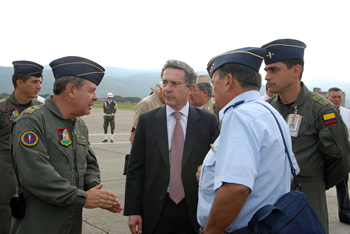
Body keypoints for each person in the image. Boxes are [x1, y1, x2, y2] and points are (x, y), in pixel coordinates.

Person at [10, 56, 123, 234]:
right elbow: (36, 174)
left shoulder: (79, 125)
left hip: (71, 221)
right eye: (91, 91)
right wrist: (83, 198)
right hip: (40, 223)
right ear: (70, 90)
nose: (95, 97)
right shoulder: (32, 121)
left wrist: (94, 189)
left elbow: (89, 163)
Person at [197, 47, 299, 233]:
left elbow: (236, 188)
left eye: (214, 83)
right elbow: (290, 175)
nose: (212, 93)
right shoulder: (271, 113)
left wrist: (210, 231)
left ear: (228, 81)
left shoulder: (239, 116)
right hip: (270, 225)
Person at [262, 39, 350, 233]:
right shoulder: (267, 109)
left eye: (273, 70)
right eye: (266, 70)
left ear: (296, 70)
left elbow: (341, 160)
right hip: (272, 198)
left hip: (307, 198)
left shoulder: (322, 110)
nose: (267, 76)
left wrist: (313, 182)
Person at [124, 59, 220, 234]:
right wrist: (133, 210)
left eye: (175, 83)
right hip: (156, 210)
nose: (167, 88)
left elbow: (219, 165)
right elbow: (135, 168)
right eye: (165, 82)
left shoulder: (208, 121)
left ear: (191, 89)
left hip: (194, 210)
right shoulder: (148, 120)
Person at [0, 60, 44, 234]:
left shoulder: (42, 110)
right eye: (35, 81)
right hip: (6, 174)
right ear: (20, 83)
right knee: (5, 214)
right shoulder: (2, 108)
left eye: (40, 81)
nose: (39, 86)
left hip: (33, 173)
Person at [326, 87, 350, 224]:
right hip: (324, 155)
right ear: (327, 98)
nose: (336, 100)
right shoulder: (322, 112)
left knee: (343, 186)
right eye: (334, 97)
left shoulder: (347, 113)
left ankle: (345, 213)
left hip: (341, 156)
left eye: (339, 97)